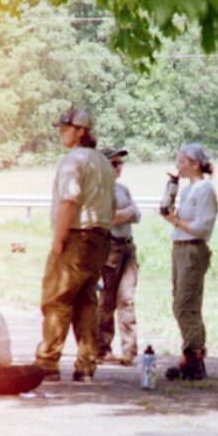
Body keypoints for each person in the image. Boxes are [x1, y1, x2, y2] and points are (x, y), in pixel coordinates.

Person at [35, 107, 116, 383]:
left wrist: (58, 238)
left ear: (81, 132)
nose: (61, 132)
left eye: (65, 128)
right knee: (86, 301)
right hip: (101, 237)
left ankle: (47, 362)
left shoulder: (73, 160)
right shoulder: (105, 163)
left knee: (56, 298)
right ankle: (86, 364)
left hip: (77, 235)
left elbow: (69, 200)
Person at [161, 143, 218, 381]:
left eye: (182, 161)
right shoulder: (187, 190)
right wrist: (172, 187)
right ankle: (191, 355)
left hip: (193, 249)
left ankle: (194, 357)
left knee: (185, 303)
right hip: (179, 247)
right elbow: (165, 209)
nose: (178, 165)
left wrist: (176, 222)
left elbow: (202, 227)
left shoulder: (205, 189)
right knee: (182, 302)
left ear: (195, 164)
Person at [96, 147, 142, 366]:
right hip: (110, 246)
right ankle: (102, 348)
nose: (118, 167)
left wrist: (125, 214)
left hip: (128, 246)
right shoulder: (98, 190)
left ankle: (129, 350)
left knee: (127, 298)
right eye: (114, 164)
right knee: (107, 299)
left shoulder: (123, 189)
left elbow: (137, 215)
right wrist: (127, 213)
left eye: (120, 163)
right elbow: (109, 218)